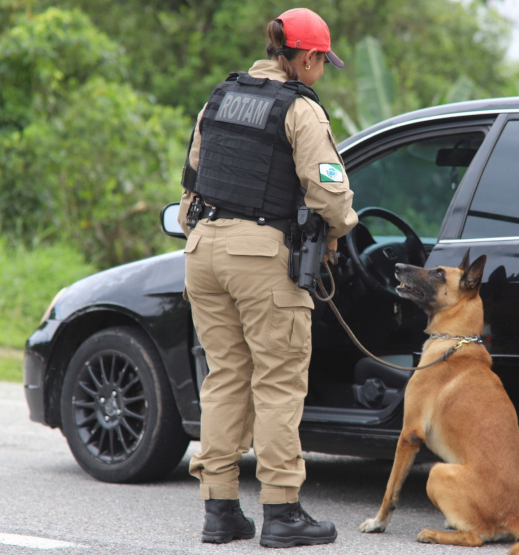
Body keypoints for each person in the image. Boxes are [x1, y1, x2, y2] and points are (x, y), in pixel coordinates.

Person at [176, 7, 358, 548]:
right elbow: (332, 196)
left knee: (225, 377)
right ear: (306, 57)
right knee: (277, 383)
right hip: (259, 256)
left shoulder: (220, 97)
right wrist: (337, 233)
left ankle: (220, 510)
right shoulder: (300, 110)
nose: (321, 70)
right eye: (322, 62)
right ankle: (282, 512)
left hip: (202, 249)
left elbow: (192, 177)